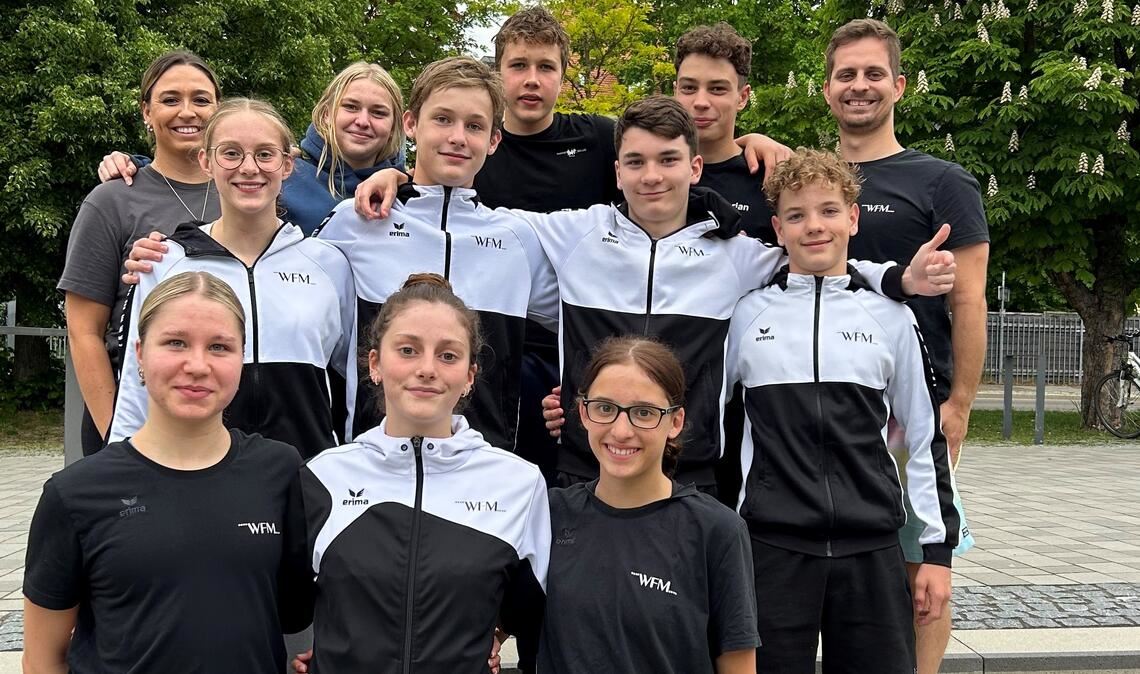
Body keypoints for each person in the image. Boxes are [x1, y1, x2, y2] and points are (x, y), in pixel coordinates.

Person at [727, 148, 958, 673]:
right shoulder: (746, 314)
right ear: (777, 228)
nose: (814, 226)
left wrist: (935, 555)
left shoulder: (892, 316)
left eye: (829, 210)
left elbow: (922, 438)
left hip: (872, 548)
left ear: (853, 217)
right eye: (796, 215)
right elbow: (708, 428)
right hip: (772, 547)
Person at [23, 271, 312, 674]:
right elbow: (42, 659)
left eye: (219, 347)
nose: (197, 365)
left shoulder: (281, 472)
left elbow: (297, 614)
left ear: (242, 357)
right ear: (140, 354)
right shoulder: (75, 493)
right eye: (175, 342)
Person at [823, 19, 988, 673]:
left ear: (899, 84)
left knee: (921, 565)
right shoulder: (806, 178)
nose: (858, 87)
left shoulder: (943, 182)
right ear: (827, 88)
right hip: (811, 404)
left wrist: (962, 402)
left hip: (904, 415)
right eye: (845, 75)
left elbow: (968, 300)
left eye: (872, 74)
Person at [290, 273, 549, 673]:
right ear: (374, 363)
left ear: (469, 376)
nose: (427, 369)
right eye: (408, 350)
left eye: (448, 355)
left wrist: (491, 637)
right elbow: (294, 607)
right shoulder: (321, 477)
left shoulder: (519, 483)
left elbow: (527, 613)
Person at [308, 56, 557, 450]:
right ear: (411, 124)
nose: (458, 137)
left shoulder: (517, 240)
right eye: (442, 119)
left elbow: (588, 317)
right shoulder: (357, 220)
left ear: (494, 141)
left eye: (474, 126)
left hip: (483, 472)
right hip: (374, 464)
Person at [108, 97, 354, 460]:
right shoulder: (165, 261)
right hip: (193, 479)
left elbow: (356, 382)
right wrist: (122, 472)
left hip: (306, 480)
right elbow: (134, 379)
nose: (249, 168)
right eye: (231, 153)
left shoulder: (329, 265)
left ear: (287, 165)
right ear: (207, 161)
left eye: (265, 154)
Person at [540, 336, 758, 674]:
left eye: (644, 412)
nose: (621, 430)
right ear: (583, 413)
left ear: (675, 421)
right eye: (605, 408)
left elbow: (738, 666)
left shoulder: (716, 530)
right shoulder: (548, 515)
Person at [59, 51, 222, 456]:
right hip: (132, 414)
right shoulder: (112, 200)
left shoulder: (246, 197)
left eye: (201, 100)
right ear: (146, 112)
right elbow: (84, 331)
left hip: (219, 413)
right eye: (170, 100)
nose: (188, 112)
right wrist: (116, 433)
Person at [97, 61, 408, 234]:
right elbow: (217, 177)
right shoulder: (287, 176)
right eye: (351, 107)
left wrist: (399, 176)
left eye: (379, 112)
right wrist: (138, 166)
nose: (363, 121)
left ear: (397, 124)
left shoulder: (409, 197)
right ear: (327, 113)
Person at [674, 23, 776, 243]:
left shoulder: (771, 178)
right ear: (675, 91)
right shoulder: (644, 175)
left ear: (743, 97)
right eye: (689, 88)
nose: (701, 102)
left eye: (717, 89)